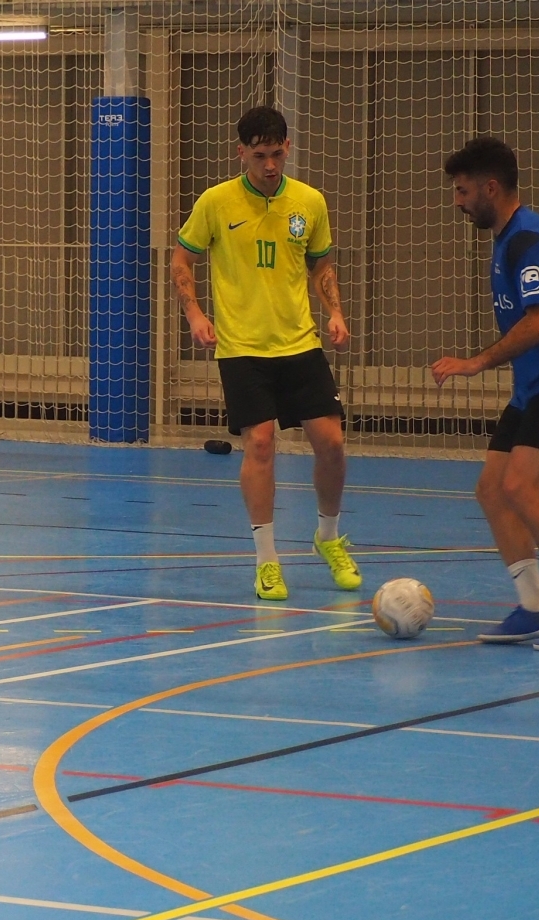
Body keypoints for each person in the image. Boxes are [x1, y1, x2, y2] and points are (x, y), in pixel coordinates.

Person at [170, 106, 360, 601]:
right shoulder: (216, 202)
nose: (270, 165)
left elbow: (321, 266)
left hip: (300, 343)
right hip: (242, 349)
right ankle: (267, 561)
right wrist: (194, 313)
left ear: (288, 148)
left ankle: (328, 536)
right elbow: (182, 257)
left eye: (277, 154)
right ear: (242, 153)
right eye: (260, 156)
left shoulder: (309, 202)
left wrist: (335, 312)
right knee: (259, 443)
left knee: (332, 443)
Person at [433, 136, 539, 651]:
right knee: (492, 488)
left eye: (462, 192)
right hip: (535, 386)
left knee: (521, 487)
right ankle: (534, 604)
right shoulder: (511, 238)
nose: (458, 202)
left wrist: (476, 362)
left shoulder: (528, 239)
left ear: (490, 188)